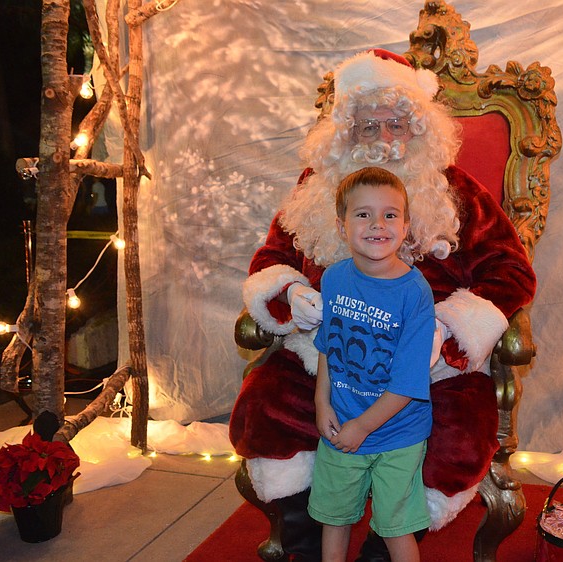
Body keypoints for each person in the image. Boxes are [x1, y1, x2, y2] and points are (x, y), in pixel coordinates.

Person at [229, 48, 536, 560]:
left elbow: (511, 270)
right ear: (344, 134)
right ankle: (303, 540)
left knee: (459, 436)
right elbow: (272, 258)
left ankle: (385, 546)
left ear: (420, 129)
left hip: (429, 360)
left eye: (397, 123)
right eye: (368, 128)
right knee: (267, 407)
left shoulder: (454, 191)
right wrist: (291, 294)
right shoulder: (315, 187)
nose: (384, 140)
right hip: (327, 349)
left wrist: (451, 331)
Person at [309, 166, 434, 561]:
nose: (377, 224)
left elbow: (407, 383)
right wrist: (321, 402)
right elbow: (329, 345)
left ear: (406, 225)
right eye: (363, 214)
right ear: (342, 226)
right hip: (342, 422)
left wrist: (363, 427)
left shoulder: (414, 294)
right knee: (335, 517)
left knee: (396, 527)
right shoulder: (333, 279)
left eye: (390, 214)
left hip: (397, 434)